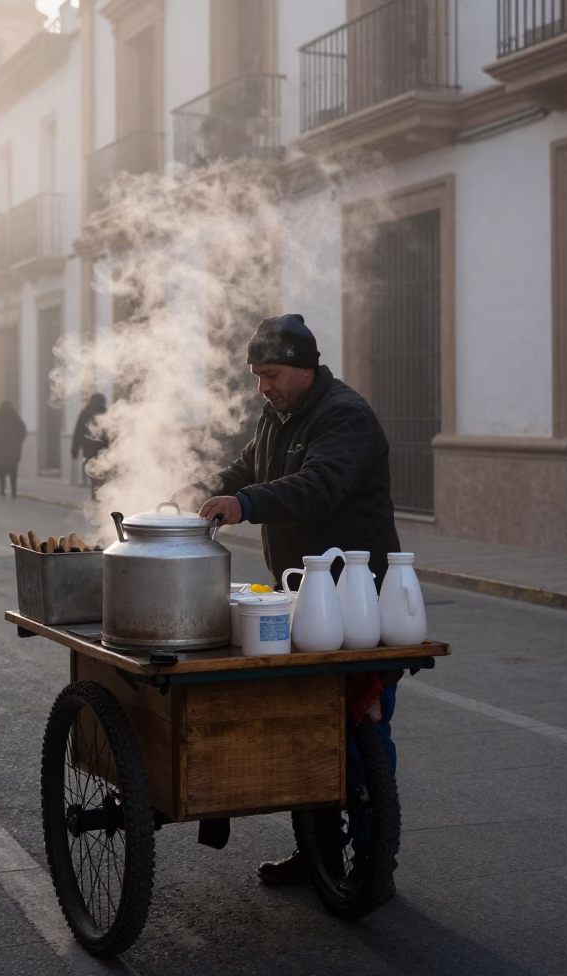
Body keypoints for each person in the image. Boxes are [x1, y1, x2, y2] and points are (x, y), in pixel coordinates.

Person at [180, 315, 401, 885]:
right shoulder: (277, 416)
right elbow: (248, 465)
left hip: (359, 598)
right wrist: (206, 492)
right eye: (256, 376)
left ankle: (376, 860)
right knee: (309, 729)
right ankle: (318, 855)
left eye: (271, 374)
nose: (263, 387)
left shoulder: (344, 416)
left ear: (305, 368)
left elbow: (320, 483)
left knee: (360, 733)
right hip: (303, 593)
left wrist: (245, 504)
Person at [71, 392, 109, 495]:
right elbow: (109, 432)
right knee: (101, 475)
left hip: (89, 451)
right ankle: (100, 495)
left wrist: (75, 450)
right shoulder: (104, 413)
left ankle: (94, 495)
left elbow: (78, 432)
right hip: (102, 451)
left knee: (93, 475)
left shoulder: (85, 413)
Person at [0, 400, 26, 498]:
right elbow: (23, 433)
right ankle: (13, 492)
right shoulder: (17, 420)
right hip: (13, 451)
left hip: (0, 451)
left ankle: (2, 490)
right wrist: (17, 442)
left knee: (2, 472)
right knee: (13, 472)